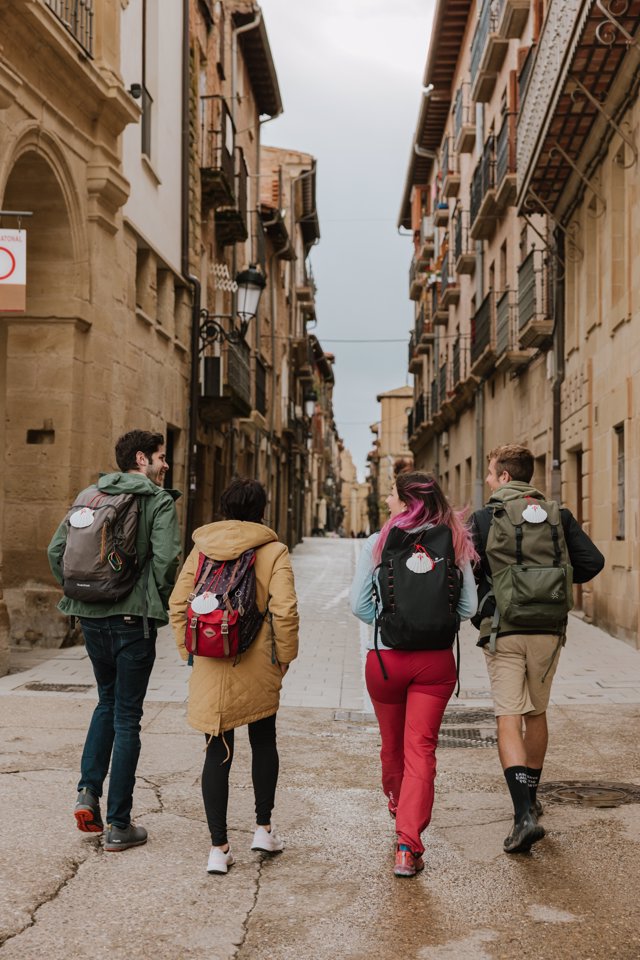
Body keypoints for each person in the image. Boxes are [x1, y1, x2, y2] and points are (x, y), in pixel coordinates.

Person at [48, 430, 181, 851]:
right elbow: (166, 559)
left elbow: (56, 552)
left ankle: (88, 793)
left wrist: (83, 594)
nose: (164, 465)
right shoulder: (156, 501)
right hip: (132, 621)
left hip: (90, 620)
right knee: (127, 717)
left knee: (106, 703)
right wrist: (153, 601)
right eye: (160, 458)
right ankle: (119, 825)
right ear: (141, 459)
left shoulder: (89, 495)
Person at [470, 444, 604, 854]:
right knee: (537, 713)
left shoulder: (483, 518)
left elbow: (475, 570)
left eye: (492, 474)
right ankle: (532, 796)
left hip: (504, 631)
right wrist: (552, 581)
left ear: (506, 476)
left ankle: (523, 815)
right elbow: (592, 562)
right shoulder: (558, 516)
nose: (490, 481)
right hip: (548, 629)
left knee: (508, 716)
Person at [350, 471, 478, 878]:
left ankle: (398, 804)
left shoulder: (378, 542)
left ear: (407, 502)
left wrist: (388, 625)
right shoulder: (454, 540)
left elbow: (358, 605)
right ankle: (408, 846)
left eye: (391, 494)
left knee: (392, 746)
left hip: (385, 662)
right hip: (435, 663)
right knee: (421, 749)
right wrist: (437, 622)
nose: (386, 499)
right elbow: (470, 607)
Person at [169, 478, 299, 876]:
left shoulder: (202, 549)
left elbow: (178, 604)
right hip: (258, 663)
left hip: (210, 660)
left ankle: (218, 848)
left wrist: (190, 652)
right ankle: (263, 829)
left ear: (225, 508)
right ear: (262, 509)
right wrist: (284, 659)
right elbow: (285, 611)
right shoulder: (274, 551)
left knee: (216, 751)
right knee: (264, 741)